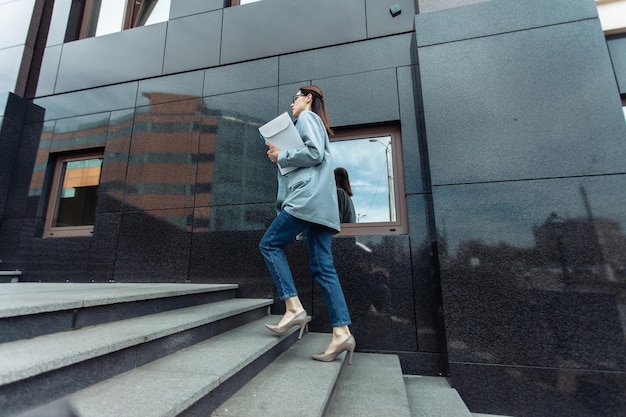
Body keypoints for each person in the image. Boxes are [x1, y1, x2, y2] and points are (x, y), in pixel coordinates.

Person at [260, 85, 355, 364]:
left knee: (269, 243)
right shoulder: (314, 124)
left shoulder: (307, 119)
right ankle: (341, 333)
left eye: (295, 99)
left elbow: (313, 153)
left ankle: (293, 308)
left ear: (308, 99)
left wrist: (281, 156)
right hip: (320, 206)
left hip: (307, 200)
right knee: (323, 268)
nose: (292, 105)